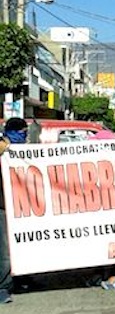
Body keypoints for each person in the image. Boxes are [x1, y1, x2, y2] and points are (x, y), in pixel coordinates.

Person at [0, 117, 30, 303]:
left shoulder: (22, 149)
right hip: (2, 206)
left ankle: (22, 279)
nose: (24, 135)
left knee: (22, 244)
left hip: (19, 205)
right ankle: (2, 287)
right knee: (4, 251)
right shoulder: (3, 147)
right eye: (22, 132)